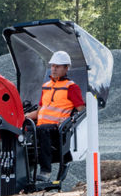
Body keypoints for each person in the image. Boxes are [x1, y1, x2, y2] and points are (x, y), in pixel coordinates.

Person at [26, 50, 85, 178]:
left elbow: (81, 111)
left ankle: (45, 171)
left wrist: (67, 121)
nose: (54, 69)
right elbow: (39, 111)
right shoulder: (46, 86)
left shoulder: (71, 87)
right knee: (23, 130)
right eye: (52, 66)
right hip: (42, 126)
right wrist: (22, 118)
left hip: (57, 129)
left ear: (66, 68)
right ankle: (26, 170)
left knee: (43, 130)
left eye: (57, 66)